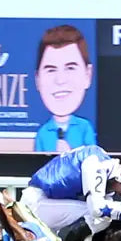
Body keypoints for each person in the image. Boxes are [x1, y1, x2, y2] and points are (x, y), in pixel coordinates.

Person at [20, 144, 121, 241]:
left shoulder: (104, 172)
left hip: (47, 203)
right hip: (36, 203)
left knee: (105, 215)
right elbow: (98, 209)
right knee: (101, 215)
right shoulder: (96, 163)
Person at [33, 25, 96, 153]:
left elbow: (94, 158)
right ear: (37, 79)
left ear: (88, 75)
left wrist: (71, 154)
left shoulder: (84, 128)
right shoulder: (43, 132)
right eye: (51, 70)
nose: (60, 80)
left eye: (70, 68)